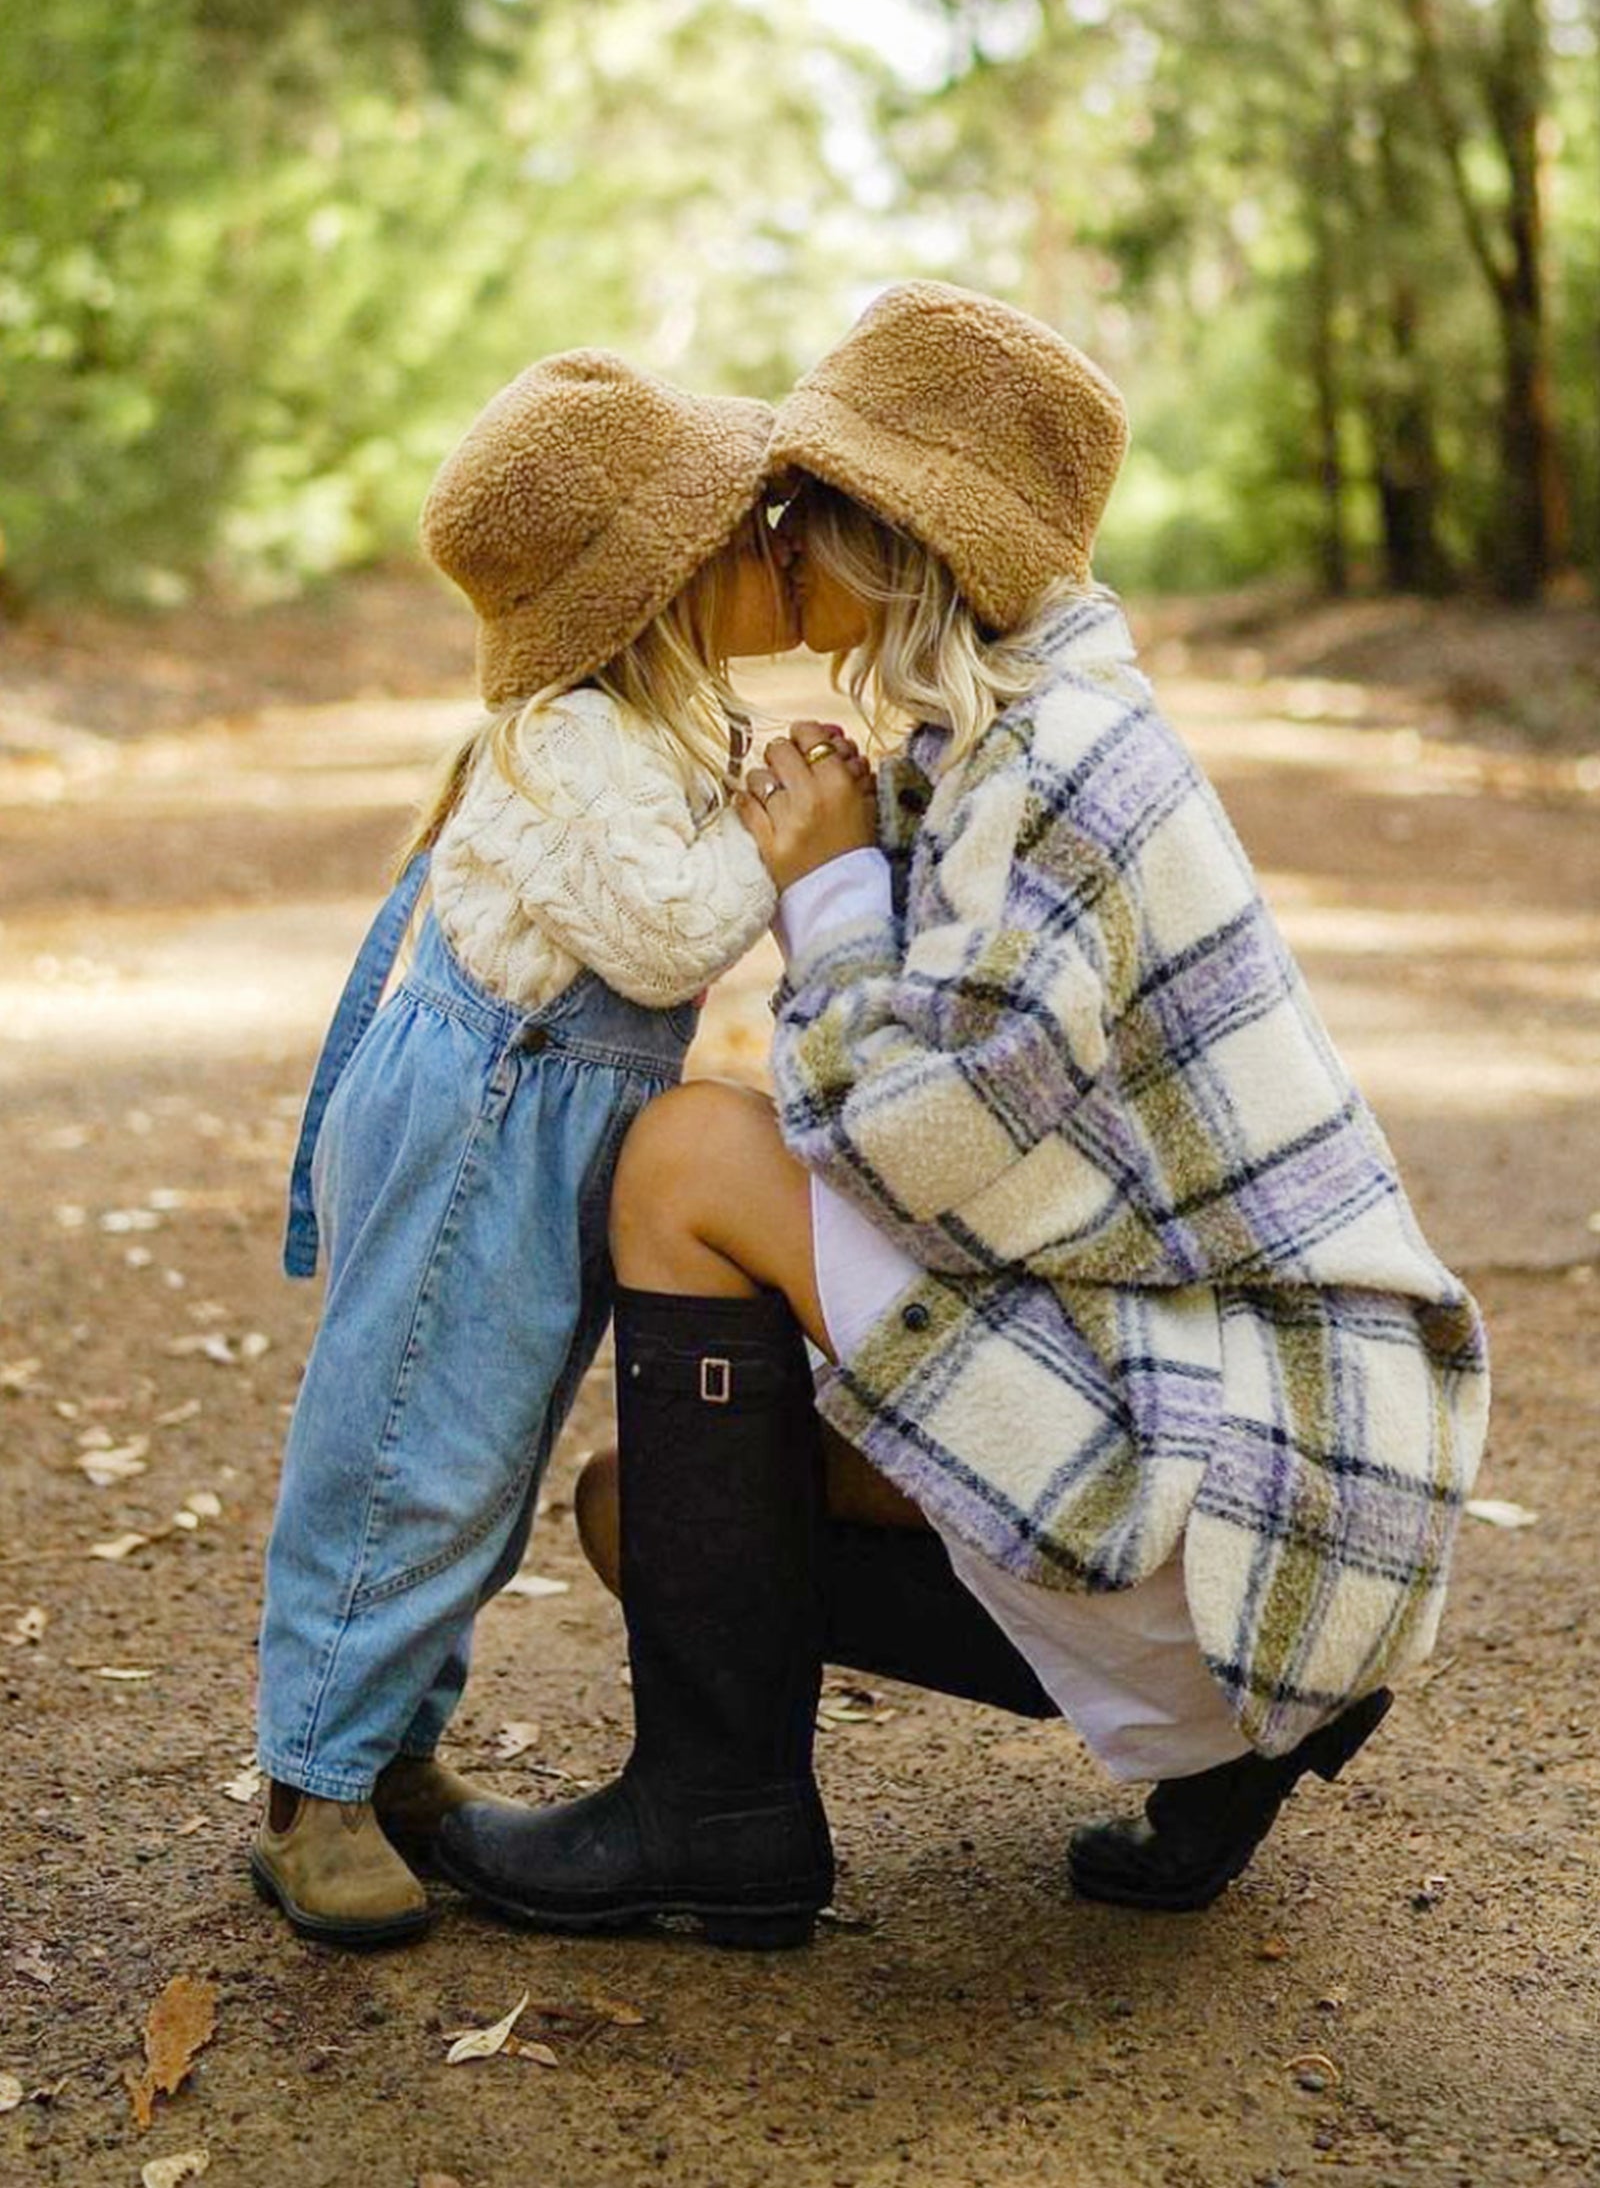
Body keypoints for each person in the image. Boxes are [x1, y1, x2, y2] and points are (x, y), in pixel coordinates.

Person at [434, 281, 1490, 1949]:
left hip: (1276, 1474)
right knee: (649, 1510)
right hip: (1249, 1440)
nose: (771, 530)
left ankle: (721, 1823)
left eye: (807, 499)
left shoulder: (1059, 758)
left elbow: (922, 1152)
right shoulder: (994, 728)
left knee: (691, 1158)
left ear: (895, 534)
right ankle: (1229, 1731)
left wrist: (831, 887)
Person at [252, 349, 841, 1947]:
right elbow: (662, 942)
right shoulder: (569, 736)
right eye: (749, 521)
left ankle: (389, 1750)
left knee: (483, 1455)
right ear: (663, 581)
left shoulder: (661, 719)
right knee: (409, 1447)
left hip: (540, 1121)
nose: (781, 533)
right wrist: (789, 846)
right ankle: (312, 1780)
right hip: (486, 1122)